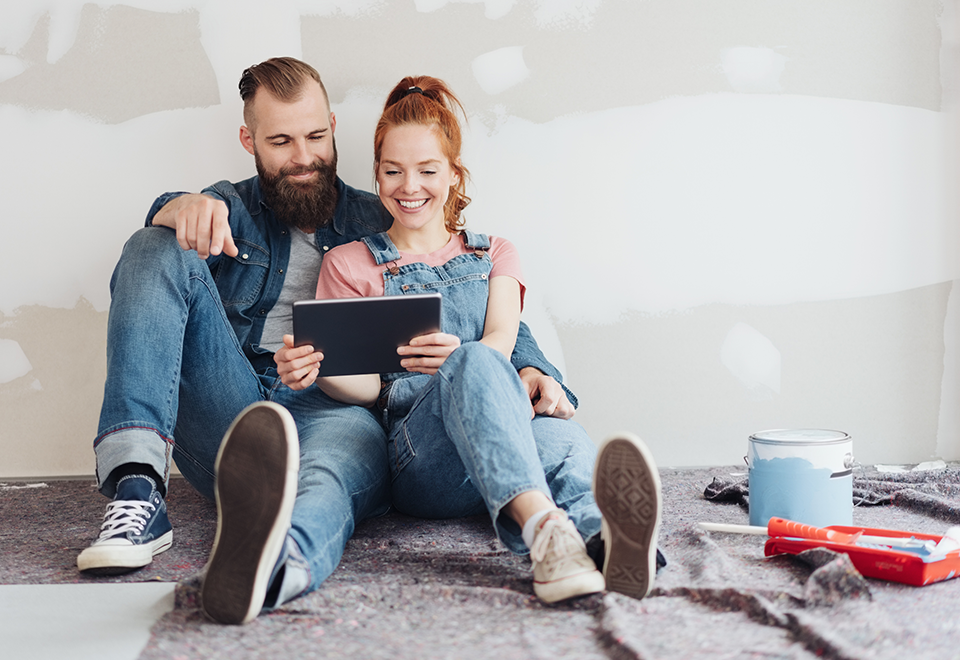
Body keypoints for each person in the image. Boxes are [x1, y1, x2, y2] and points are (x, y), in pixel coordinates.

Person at [77, 57, 577, 625]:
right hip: (235, 409)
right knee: (153, 245)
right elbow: (170, 232)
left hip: (337, 407)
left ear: (334, 126)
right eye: (281, 141)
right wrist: (174, 205)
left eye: (316, 135)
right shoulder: (229, 209)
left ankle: (274, 567)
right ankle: (137, 491)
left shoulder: (385, 213)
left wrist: (537, 368)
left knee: (326, 480)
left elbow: (474, 288)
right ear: (249, 140)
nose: (304, 157)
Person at [275, 75, 664, 605]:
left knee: (566, 441)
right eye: (393, 171)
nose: (409, 186)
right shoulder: (349, 264)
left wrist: (469, 361)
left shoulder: (494, 254)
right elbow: (366, 390)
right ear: (378, 175)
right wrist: (319, 366)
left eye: (427, 170)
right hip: (420, 454)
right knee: (474, 360)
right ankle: (544, 536)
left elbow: (503, 339)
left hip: (499, 431)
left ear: (455, 176)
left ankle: (605, 541)